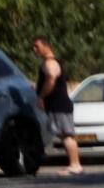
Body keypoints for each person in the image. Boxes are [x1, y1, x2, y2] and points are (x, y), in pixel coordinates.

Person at [31, 36, 81, 174]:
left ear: (46, 46)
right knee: (66, 134)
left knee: (66, 135)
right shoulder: (53, 62)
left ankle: (75, 165)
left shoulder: (49, 63)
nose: (35, 50)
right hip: (61, 104)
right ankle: (75, 164)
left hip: (58, 104)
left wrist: (41, 96)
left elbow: (51, 80)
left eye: (37, 46)